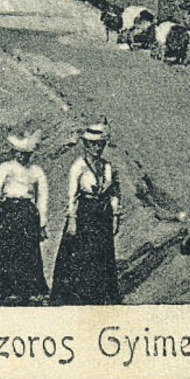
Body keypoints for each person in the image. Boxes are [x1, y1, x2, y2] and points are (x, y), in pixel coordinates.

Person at [50, 123, 123, 305]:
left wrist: (115, 217)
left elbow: (114, 193)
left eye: (100, 144)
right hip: (85, 213)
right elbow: (72, 195)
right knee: (81, 253)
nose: (96, 148)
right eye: (92, 144)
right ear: (86, 145)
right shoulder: (79, 166)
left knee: (102, 253)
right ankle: (78, 294)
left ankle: (99, 293)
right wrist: (72, 220)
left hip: (102, 214)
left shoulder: (108, 167)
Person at [0, 130, 50, 300]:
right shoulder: (6, 168)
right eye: (20, 153)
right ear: (14, 152)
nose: (23, 157)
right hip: (9, 211)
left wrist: (42, 223)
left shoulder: (36, 171)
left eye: (27, 154)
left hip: (27, 212)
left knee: (27, 249)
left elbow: (42, 197)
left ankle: (26, 287)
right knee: (6, 246)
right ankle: (3, 286)